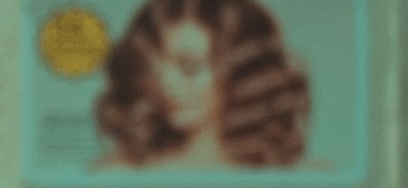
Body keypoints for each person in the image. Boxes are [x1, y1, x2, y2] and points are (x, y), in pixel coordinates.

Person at [92, 0, 311, 170]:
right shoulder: (119, 175)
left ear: (240, 71)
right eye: (156, 68)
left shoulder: (295, 180)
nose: (166, 83)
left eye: (189, 67)